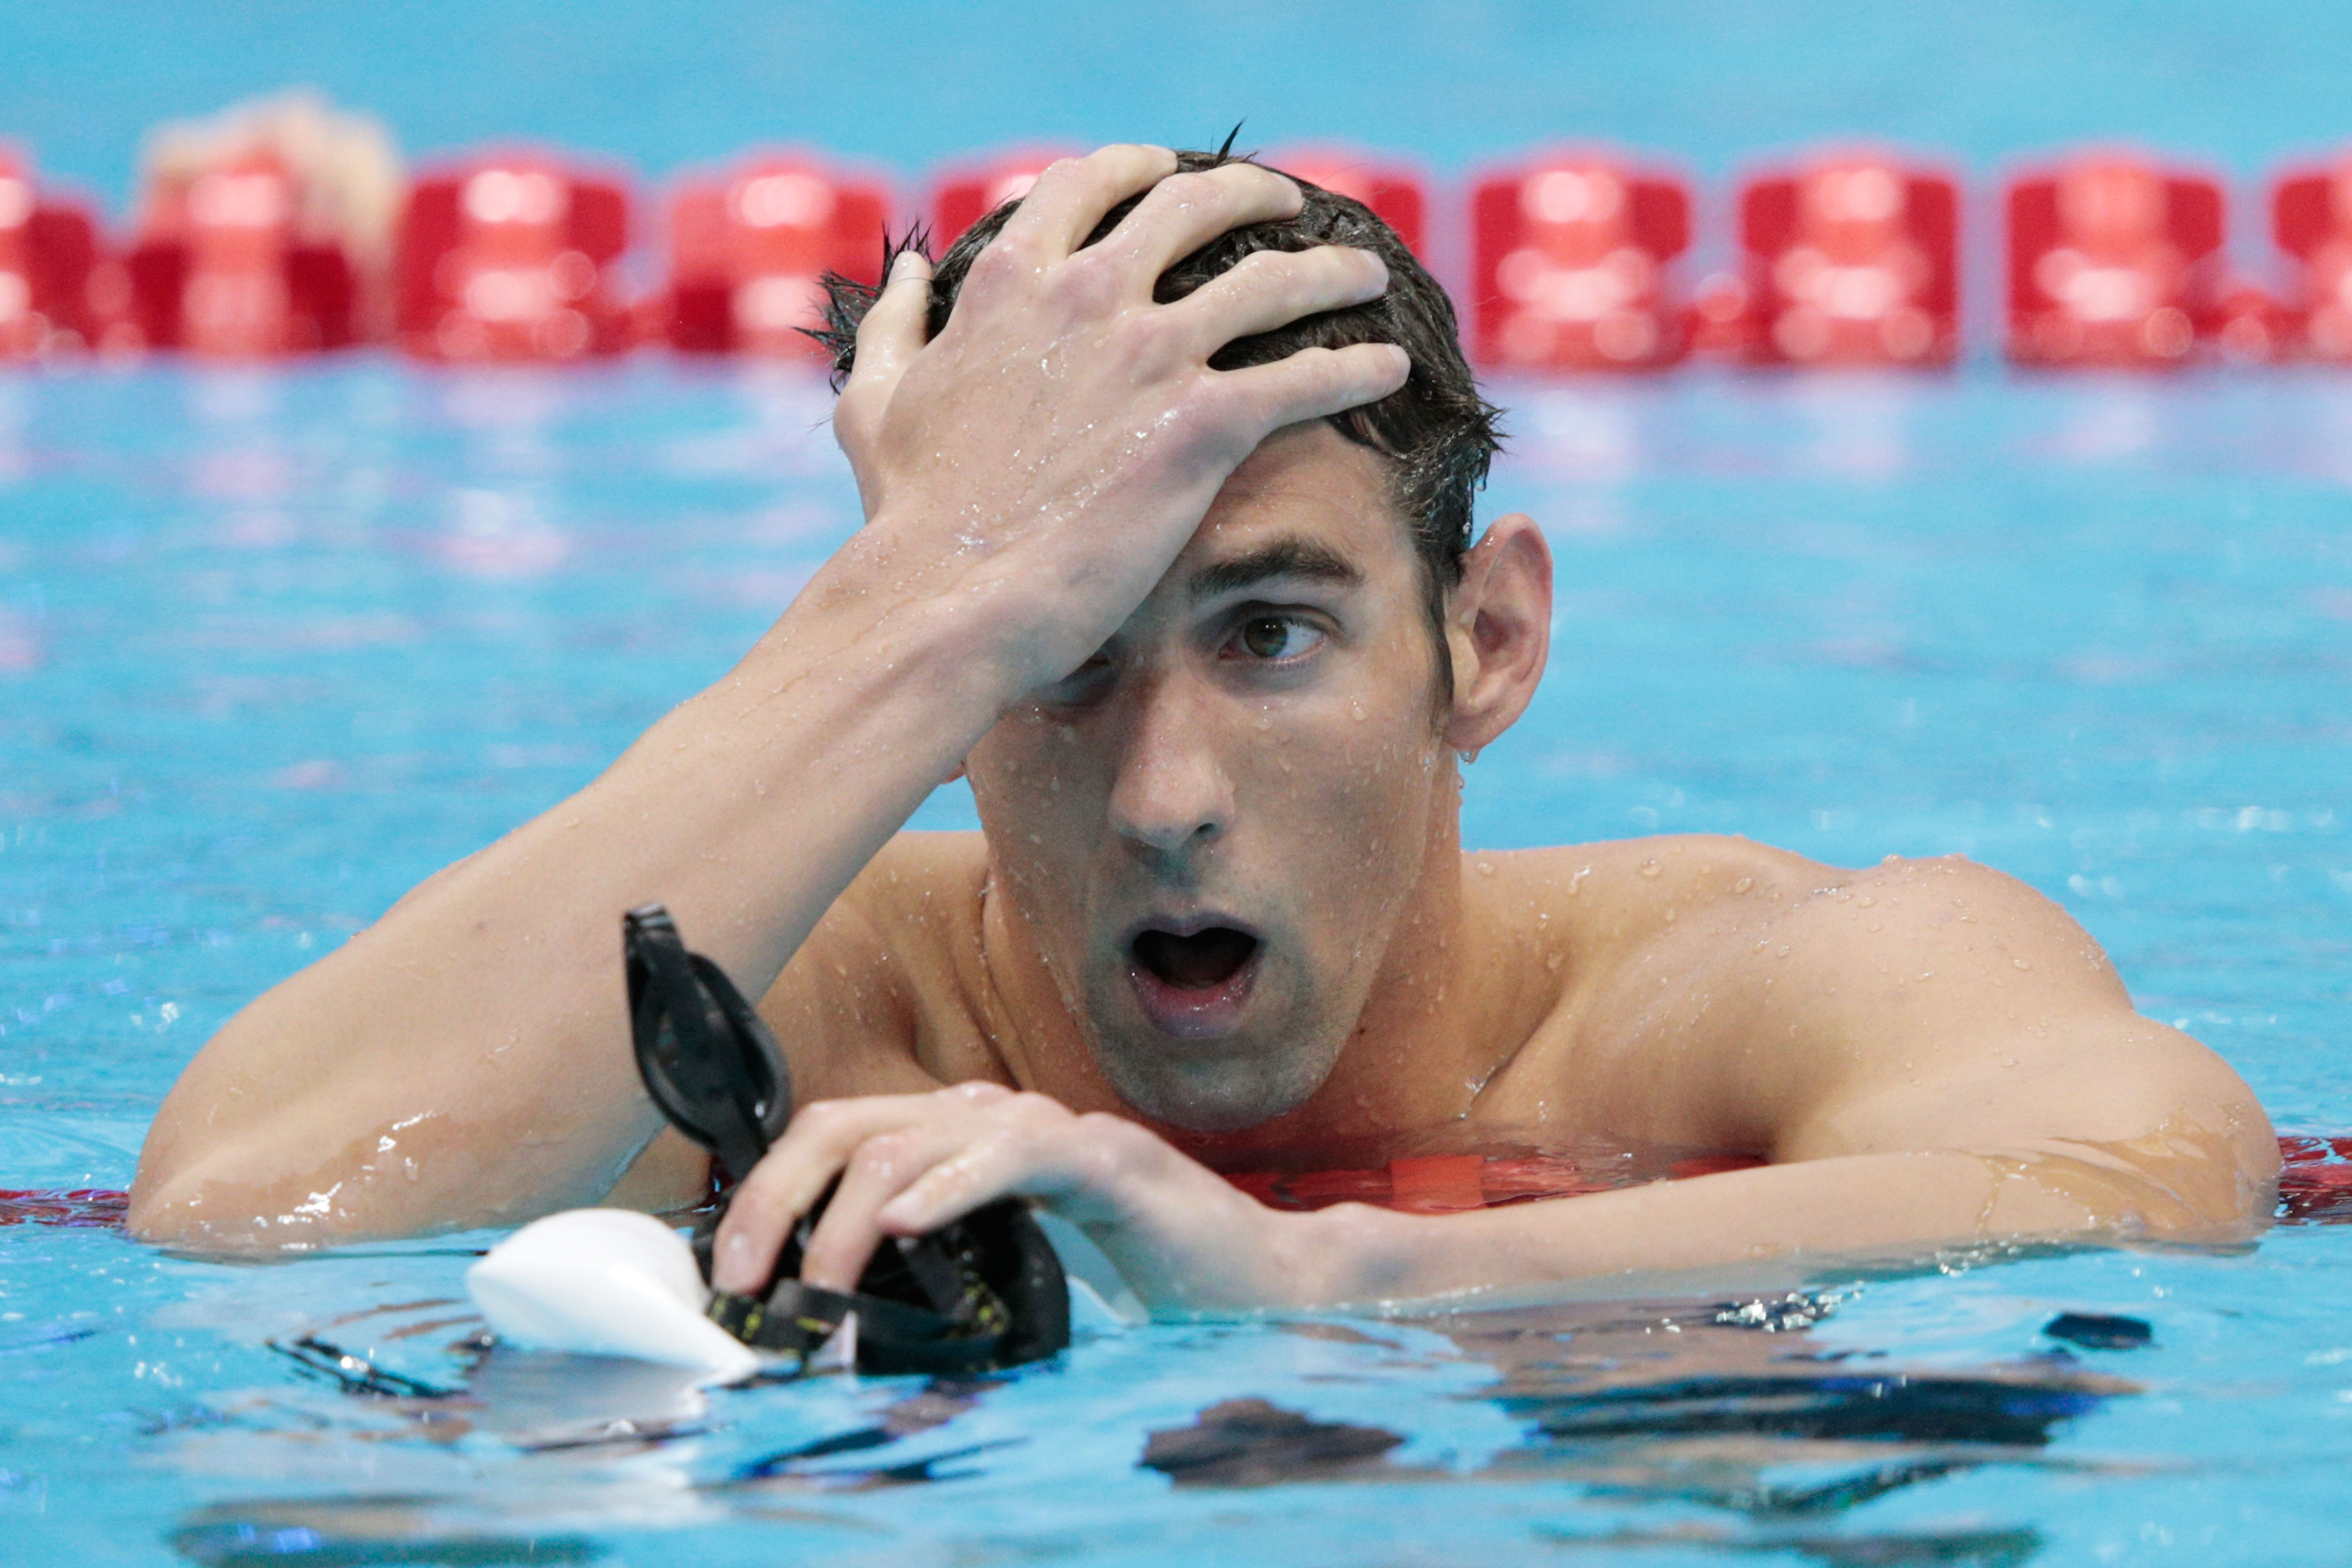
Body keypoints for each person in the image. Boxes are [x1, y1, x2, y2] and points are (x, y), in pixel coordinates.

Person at [128, 145, 2277, 1312]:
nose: (1163, 801)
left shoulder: (1727, 1002)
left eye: (1268, 635)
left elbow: (2154, 1179)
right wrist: (919, 607)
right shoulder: (815, 1015)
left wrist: (1325, 1271)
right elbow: (249, 1217)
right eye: (1058, 658)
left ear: (1489, 644)